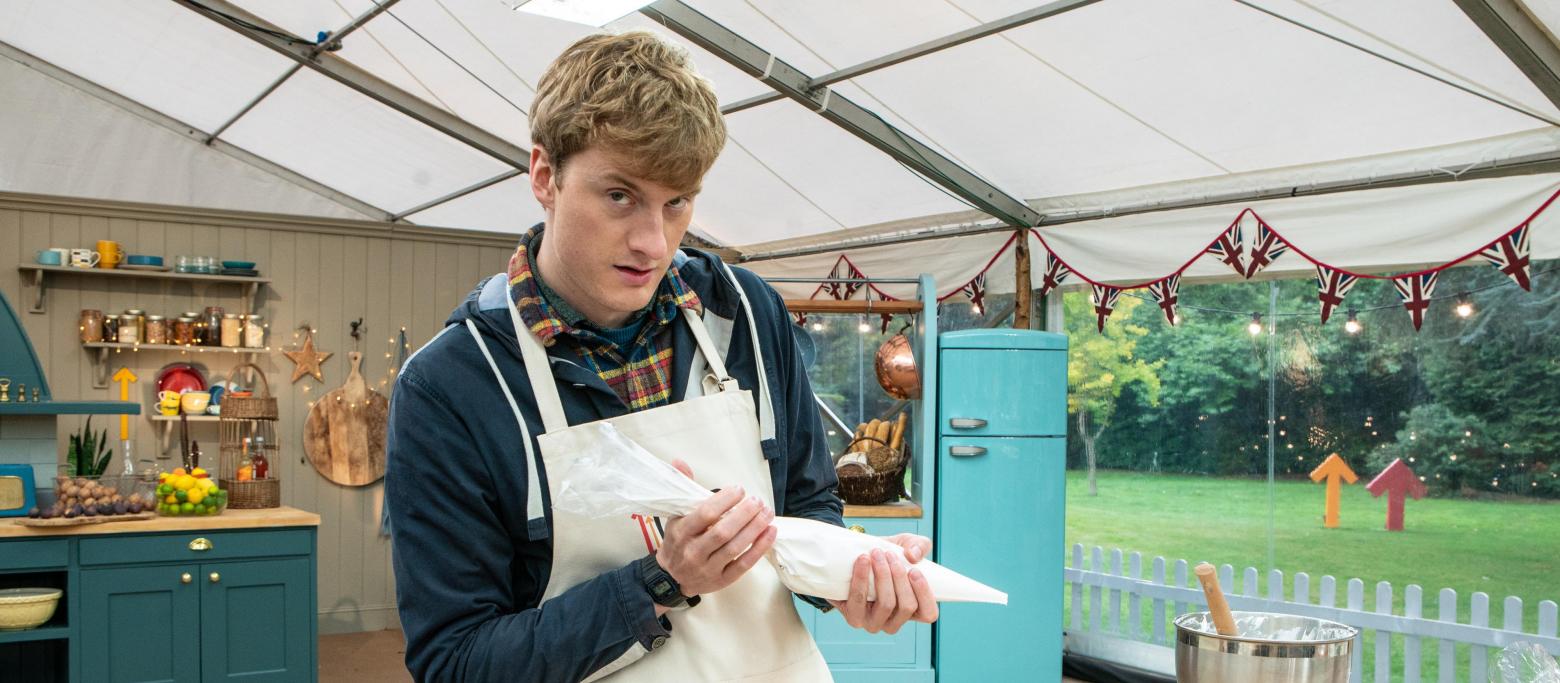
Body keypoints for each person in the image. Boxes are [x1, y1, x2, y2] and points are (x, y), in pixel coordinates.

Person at [385, 30, 937, 682]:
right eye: (620, 196)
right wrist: (661, 580)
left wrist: (850, 574)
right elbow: (456, 662)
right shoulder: (452, 387)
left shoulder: (747, 314)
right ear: (544, 176)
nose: (653, 241)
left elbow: (805, 510)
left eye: (677, 202)